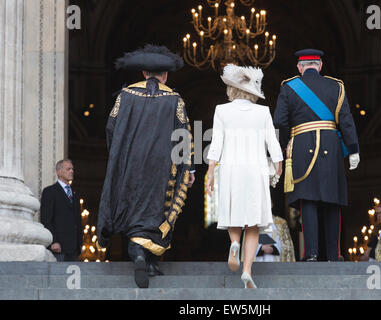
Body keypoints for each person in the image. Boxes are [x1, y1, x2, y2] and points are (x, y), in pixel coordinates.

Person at [96, 44, 195, 288]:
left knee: (133, 206)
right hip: (162, 166)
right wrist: (188, 168)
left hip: (131, 163)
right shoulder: (174, 99)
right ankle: (149, 260)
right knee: (157, 210)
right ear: (165, 75)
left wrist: (119, 155)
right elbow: (183, 135)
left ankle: (140, 255)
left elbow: (111, 128)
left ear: (143, 73)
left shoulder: (125, 95)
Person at [274, 49, 360, 262]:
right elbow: (346, 120)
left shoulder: (288, 87)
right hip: (331, 146)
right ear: (320, 66)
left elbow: (280, 122)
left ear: (300, 68)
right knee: (332, 199)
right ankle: (334, 254)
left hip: (301, 146)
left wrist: (283, 146)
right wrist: (354, 149)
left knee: (308, 200)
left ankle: (311, 253)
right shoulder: (336, 86)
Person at [206, 64, 283, 288]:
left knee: (233, 212)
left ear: (231, 89)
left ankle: (234, 243)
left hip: (231, 168)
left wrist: (211, 172)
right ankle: (247, 270)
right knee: (253, 224)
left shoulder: (222, 110)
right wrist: (279, 165)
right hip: (255, 169)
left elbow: (216, 144)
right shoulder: (263, 112)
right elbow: (273, 142)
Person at [40, 160, 82, 262]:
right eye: (68, 169)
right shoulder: (49, 191)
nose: (72, 171)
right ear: (59, 172)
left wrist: (80, 244)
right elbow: (46, 219)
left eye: (72, 169)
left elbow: (78, 220)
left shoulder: (75, 194)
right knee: (58, 277)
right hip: (58, 247)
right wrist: (54, 241)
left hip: (74, 249)